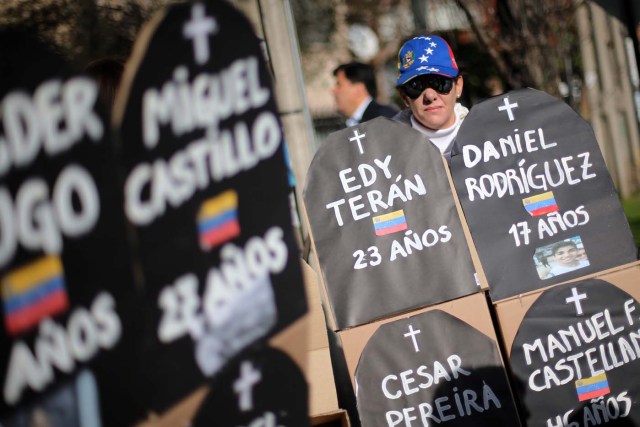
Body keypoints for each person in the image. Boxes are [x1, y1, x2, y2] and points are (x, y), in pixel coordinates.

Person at [393, 35, 466, 158]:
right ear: (404, 96)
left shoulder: (487, 135)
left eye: (440, 82)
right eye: (416, 86)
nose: (430, 95)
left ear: (458, 85)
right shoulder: (388, 152)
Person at [332, 61, 398, 127]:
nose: (333, 90)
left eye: (339, 84)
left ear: (358, 89)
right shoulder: (352, 123)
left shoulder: (383, 119)